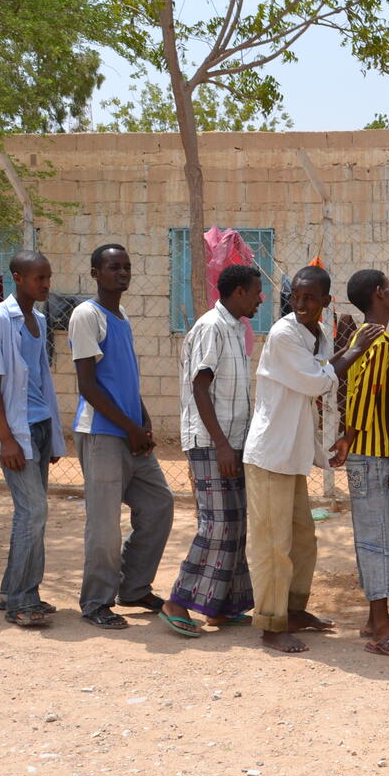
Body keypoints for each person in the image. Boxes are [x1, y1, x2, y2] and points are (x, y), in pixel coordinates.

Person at [243, 266, 379, 654]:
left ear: (325, 302)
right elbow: (318, 382)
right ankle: (271, 624)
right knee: (274, 545)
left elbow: (314, 384)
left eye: (309, 299)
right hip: (270, 456)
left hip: (290, 456)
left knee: (303, 540)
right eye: (296, 298)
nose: (300, 304)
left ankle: (293, 610)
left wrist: (322, 451)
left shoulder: (315, 333)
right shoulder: (284, 334)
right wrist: (355, 349)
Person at [70, 243, 174, 630]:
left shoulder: (122, 315)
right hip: (102, 433)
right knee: (104, 523)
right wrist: (130, 428)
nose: (122, 273)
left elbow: (125, 378)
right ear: (95, 273)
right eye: (114, 267)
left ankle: (133, 587)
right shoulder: (87, 315)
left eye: (127, 266)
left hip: (130, 433)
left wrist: (142, 421)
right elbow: (88, 385)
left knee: (159, 504)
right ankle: (97, 601)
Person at [159, 264, 264, 637]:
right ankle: (178, 600)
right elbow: (200, 388)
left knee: (235, 523)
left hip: (232, 442)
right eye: (256, 292)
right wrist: (221, 444)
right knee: (217, 524)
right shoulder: (211, 327)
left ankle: (221, 606)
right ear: (238, 292)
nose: (260, 299)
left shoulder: (235, 328)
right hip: (210, 443)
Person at [330, 268, 389, 658]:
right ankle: (382, 628)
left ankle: (376, 618)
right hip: (370, 453)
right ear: (378, 295)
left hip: (371, 450)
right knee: (378, 538)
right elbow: (364, 394)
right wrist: (351, 436)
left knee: (377, 535)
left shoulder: (366, 337)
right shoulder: (377, 340)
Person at [0, 249, 67, 627]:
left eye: (48, 277)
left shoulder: (38, 321)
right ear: (17, 277)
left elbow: (40, 378)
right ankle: (20, 600)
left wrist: (53, 434)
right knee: (33, 511)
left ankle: (16, 591)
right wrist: (6, 438)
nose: (45, 284)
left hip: (39, 426)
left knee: (31, 513)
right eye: (38, 278)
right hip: (16, 431)